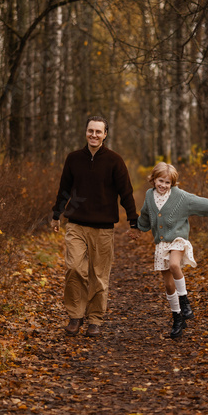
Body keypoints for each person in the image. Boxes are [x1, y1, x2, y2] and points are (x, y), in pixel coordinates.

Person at [51, 116, 138, 338]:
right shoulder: (73, 159)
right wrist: (56, 214)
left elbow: (125, 192)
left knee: (99, 275)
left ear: (105, 134)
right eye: (91, 131)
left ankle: (95, 319)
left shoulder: (114, 161)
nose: (94, 135)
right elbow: (64, 188)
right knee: (74, 268)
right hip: (76, 225)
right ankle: (75, 315)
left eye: (98, 132)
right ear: (86, 132)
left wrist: (133, 220)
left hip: (103, 228)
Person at [137, 162, 208, 339]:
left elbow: (204, 204)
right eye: (160, 181)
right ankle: (177, 317)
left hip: (178, 239)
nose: (163, 185)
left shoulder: (180, 197)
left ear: (173, 184)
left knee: (174, 265)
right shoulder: (149, 195)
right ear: (153, 179)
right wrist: (137, 228)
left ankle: (184, 301)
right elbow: (146, 216)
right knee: (168, 285)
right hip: (161, 243)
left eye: (167, 183)